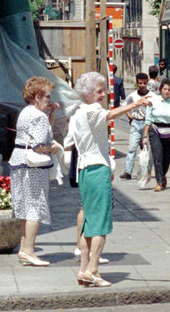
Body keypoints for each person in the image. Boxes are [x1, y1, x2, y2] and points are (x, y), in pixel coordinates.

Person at [65, 71, 152, 287]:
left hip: (84, 170)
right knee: (101, 224)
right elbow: (110, 114)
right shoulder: (93, 110)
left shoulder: (77, 114)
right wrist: (135, 104)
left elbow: (68, 142)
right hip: (97, 169)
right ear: (87, 94)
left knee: (88, 221)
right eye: (99, 91)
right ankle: (93, 269)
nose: (103, 94)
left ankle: (84, 269)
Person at [9, 76, 61, 267]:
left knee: (25, 207)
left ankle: (24, 249)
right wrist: (53, 149)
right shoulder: (38, 116)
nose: (49, 99)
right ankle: (29, 250)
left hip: (19, 161)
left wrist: (51, 114)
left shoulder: (27, 112)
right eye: (47, 96)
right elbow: (39, 145)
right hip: (32, 166)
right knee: (35, 207)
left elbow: (41, 132)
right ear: (37, 96)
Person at [143, 78, 170, 192]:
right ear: (160, 89)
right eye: (165, 89)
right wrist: (145, 136)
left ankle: (163, 174)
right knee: (158, 156)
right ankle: (159, 182)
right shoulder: (153, 100)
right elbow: (148, 120)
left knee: (167, 157)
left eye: (169, 90)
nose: (166, 91)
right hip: (155, 129)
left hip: (169, 130)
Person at [118, 72, 151, 179]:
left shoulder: (152, 96)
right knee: (132, 148)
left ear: (147, 82)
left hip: (147, 124)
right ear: (137, 83)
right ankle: (128, 171)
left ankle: (144, 171)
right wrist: (129, 115)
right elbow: (124, 105)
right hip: (135, 123)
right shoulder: (133, 95)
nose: (142, 85)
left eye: (144, 83)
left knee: (146, 149)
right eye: (140, 83)